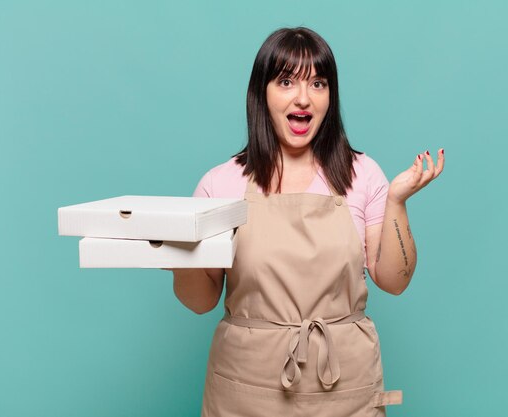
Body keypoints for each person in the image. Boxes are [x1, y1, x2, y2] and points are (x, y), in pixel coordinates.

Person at [171, 27, 444, 417]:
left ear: (330, 97)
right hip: (245, 388)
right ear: (261, 93)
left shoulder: (362, 174)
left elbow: (394, 281)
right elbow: (200, 301)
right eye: (286, 81)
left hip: (344, 385)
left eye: (318, 83)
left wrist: (397, 202)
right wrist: (180, 251)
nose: (303, 97)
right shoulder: (221, 183)